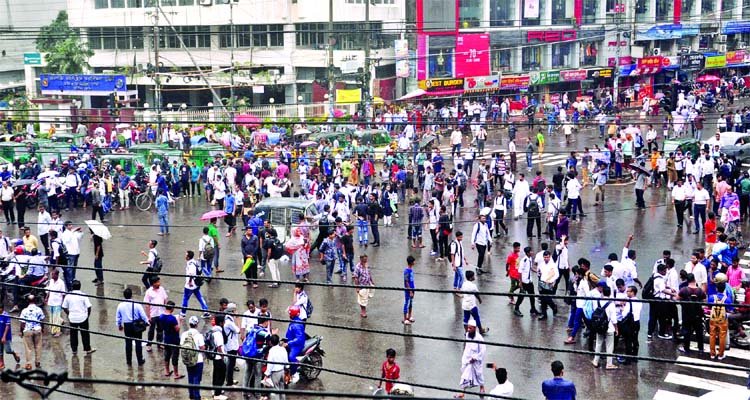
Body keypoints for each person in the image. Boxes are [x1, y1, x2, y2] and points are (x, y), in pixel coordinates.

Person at [61, 280, 95, 356]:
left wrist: (69, 313)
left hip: (73, 318)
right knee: (85, 334)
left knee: (73, 334)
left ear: (72, 287)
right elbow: (89, 306)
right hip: (83, 317)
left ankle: (74, 350)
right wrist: (87, 316)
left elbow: (64, 307)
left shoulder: (68, 296)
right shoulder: (83, 295)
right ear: (80, 287)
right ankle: (87, 348)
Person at [116, 288, 148, 366]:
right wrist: (147, 322)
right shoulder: (137, 304)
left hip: (127, 325)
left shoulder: (120, 305)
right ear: (131, 295)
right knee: (138, 342)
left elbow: (118, 317)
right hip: (136, 325)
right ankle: (140, 360)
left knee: (128, 343)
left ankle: (129, 361)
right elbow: (143, 315)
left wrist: (119, 325)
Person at [456, 319, 486, 398]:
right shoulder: (467, 335)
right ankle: (462, 393)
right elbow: (467, 347)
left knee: (479, 375)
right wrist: (465, 358)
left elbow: (483, 350)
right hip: (468, 360)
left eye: (470, 328)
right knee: (465, 376)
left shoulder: (479, 338)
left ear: (475, 328)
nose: (468, 330)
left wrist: (476, 358)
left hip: (476, 362)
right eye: (468, 328)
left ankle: (482, 388)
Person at [677, 273, 706, 354]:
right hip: (697, 314)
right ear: (694, 280)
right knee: (699, 332)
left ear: (687, 280)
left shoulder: (683, 290)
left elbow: (677, 298)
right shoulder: (700, 290)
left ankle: (687, 349)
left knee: (687, 331)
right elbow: (704, 301)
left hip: (686, 314)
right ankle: (701, 349)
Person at [591, 286, 618, 370]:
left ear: (602, 292)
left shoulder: (598, 301)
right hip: (609, 327)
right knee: (609, 345)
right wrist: (616, 329)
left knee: (598, 343)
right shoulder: (611, 304)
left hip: (599, 326)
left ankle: (595, 361)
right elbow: (614, 319)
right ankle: (609, 364)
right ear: (610, 293)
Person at [708, 273, 733, 360]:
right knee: (722, 336)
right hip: (723, 319)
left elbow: (709, 307)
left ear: (716, 288)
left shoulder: (711, 297)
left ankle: (712, 353)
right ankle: (720, 354)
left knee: (712, 335)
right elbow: (730, 309)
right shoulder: (728, 299)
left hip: (713, 318)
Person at [181, 316, 206, 400]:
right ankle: (197, 396)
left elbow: (181, 345)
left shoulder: (184, 334)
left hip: (188, 359)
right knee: (196, 378)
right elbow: (202, 347)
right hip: (198, 360)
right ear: (197, 324)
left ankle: (191, 395)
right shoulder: (199, 335)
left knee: (190, 376)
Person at [180, 250, 210, 318]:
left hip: (190, 285)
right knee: (200, 297)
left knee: (185, 298)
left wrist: (190, 282)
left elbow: (191, 274)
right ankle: (206, 311)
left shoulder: (191, 264)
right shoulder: (194, 262)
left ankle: (183, 313)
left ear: (188, 257)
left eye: (186, 255)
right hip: (196, 284)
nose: (185, 256)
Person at [19, 295, 45, 370]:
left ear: (27, 301)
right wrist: (42, 329)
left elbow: (22, 323)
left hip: (28, 330)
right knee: (38, 346)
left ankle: (29, 364)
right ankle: (37, 362)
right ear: (35, 301)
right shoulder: (39, 309)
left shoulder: (24, 310)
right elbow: (42, 320)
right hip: (37, 329)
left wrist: (21, 331)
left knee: (28, 348)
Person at [159, 301, 184, 379]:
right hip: (174, 339)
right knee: (175, 356)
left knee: (167, 354)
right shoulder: (172, 318)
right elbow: (177, 329)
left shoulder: (161, 316)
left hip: (166, 338)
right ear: (172, 308)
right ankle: (176, 374)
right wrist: (179, 321)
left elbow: (161, 327)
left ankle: (167, 371)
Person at [144, 275, 168, 352]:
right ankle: (149, 344)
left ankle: (159, 343)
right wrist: (148, 316)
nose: (159, 283)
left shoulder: (162, 289)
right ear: (153, 283)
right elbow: (147, 305)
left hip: (161, 313)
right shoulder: (148, 292)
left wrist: (166, 310)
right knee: (151, 330)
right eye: (157, 282)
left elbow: (165, 299)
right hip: (153, 314)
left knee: (160, 329)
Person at [285, 305, 306, 384]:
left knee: (291, 357)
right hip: (291, 341)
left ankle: (295, 372)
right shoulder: (294, 321)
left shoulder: (297, 325)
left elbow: (299, 339)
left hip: (297, 345)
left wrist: (288, 343)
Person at [61, 221, 83, 291]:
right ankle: (69, 284)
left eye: (71, 225)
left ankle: (73, 280)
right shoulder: (65, 234)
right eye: (69, 225)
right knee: (70, 269)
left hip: (76, 252)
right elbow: (66, 240)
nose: (71, 226)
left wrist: (80, 232)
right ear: (66, 226)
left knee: (74, 268)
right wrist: (73, 231)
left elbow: (80, 237)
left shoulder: (73, 232)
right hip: (70, 254)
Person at [210, 314, 227, 399]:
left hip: (214, 357)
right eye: (224, 321)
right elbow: (219, 347)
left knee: (215, 374)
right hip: (219, 357)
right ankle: (217, 394)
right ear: (221, 323)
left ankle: (215, 389)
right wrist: (223, 357)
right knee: (221, 375)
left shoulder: (213, 330)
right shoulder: (218, 333)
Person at [44, 269, 65, 337]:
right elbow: (49, 290)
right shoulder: (51, 281)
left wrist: (63, 303)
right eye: (52, 274)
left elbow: (63, 293)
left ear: (57, 275)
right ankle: (60, 322)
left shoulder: (61, 283)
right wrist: (47, 298)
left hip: (58, 302)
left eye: (53, 274)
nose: (52, 276)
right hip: (51, 301)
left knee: (56, 316)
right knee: (52, 317)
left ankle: (58, 331)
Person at [223, 302, 240, 386]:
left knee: (231, 364)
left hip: (231, 345)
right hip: (231, 346)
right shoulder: (229, 322)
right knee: (231, 364)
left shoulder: (228, 319)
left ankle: (230, 379)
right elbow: (238, 330)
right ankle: (229, 382)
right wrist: (237, 318)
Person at [0, 302, 20, 369]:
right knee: (0, 351)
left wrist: (4, 336)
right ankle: (2, 363)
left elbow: (7, 326)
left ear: (2, 309)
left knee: (7, 350)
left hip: (5, 336)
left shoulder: (6, 315)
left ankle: (14, 353)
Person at [403, 255, 416, 325]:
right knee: (407, 303)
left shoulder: (411, 270)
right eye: (414, 261)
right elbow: (406, 282)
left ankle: (409, 316)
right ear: (411, 262)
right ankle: (405, 318)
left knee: (410, 303)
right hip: (408, 290)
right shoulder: (406, 271)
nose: (415, 262)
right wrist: (410, 291)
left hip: (412, 289)